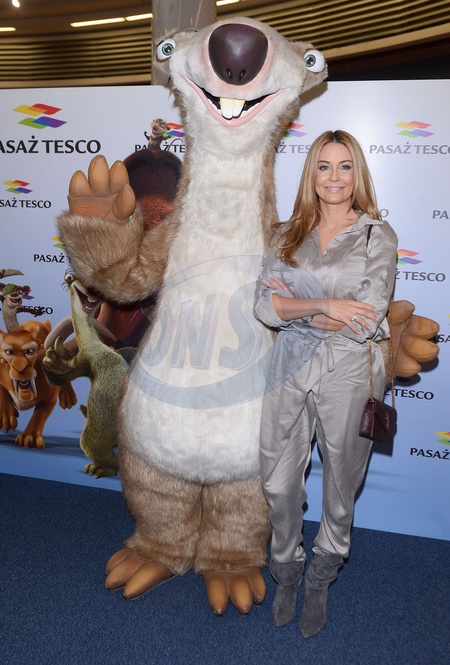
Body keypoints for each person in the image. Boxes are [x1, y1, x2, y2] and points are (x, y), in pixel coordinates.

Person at [254, 130, 398, 637]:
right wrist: (326, 304)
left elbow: (367, 316)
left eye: (344, 166)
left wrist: (296, 306)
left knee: (341, 485)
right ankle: (286, 569)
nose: (333, 177)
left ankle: (320, 575)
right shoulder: (284, 234)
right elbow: (263, 307)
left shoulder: (377, 236)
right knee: (276, 482)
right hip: (288, 367)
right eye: (323, 166)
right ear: (311, 174)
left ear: (357, 174)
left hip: (349, 369)